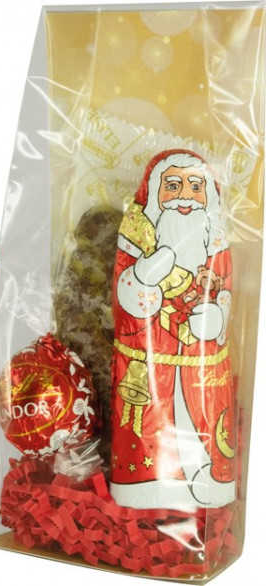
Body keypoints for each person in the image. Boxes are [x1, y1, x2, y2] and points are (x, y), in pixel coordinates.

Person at [110, 149, 235, 510]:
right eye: (173, 185)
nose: (185, 197)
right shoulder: (136, 238)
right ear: (154, 192)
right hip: (151, 364)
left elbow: (224, 289)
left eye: (195, 186)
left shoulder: (214, 240)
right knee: (151, 424)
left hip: (201, 368)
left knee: (203, 418)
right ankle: (147, 484)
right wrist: (142, 279)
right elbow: (124, 302)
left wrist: (216, 319)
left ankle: (208, 477)